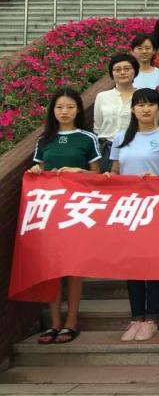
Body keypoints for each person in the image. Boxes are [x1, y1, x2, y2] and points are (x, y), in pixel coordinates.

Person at [29, 89, 102, 345]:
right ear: (53, 110)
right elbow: (40, 170)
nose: (64, 112)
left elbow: (98, 176)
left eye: (70, 107)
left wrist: (79, 171)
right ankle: (54, 323)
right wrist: (35, 171)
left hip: (77, 212)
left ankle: (71, 322)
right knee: (52, 270)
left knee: (73, 269)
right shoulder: (44, 140)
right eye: (59, 107)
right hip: (50, 212)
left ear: (78, 110)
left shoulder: (87, 138)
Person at [109, 88, 159, 342]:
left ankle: (151, 317)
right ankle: (136, 317)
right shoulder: (121, 137)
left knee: (153, 262)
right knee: (132, 263)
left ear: (158, 107)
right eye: (140, 105)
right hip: (128, 209)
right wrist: (109, 177)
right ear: (132, 109)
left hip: (155, 207)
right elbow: (115, 171)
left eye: (151, 104)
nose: (146, 109)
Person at [94, 54, 138, 170]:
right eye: (117, 69)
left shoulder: (142, 96)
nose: (122, 72)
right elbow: (98, 127)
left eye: (127, 69)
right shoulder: (102, 97)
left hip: (133, 148)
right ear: (112, 73)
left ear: (135, 71)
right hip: (106, 150)